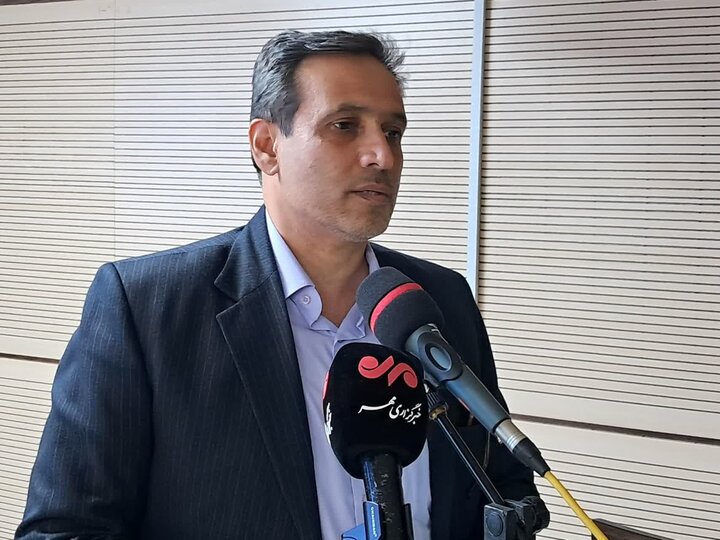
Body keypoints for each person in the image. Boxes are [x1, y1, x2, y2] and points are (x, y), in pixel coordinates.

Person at [17, 30, 538, 540]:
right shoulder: (147, 308)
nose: (383, 156)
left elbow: (502, 486)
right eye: (344, 126)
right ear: (267, 146)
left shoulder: (441, 299)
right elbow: (65, 528)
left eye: (393, 132)